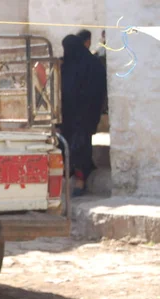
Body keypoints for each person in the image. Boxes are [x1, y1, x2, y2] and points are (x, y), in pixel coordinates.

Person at [60, 35, 107, 196]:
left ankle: (80, 182)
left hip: (83, 113)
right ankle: (77, 175)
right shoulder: (72, 64)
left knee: (80, 145)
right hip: (71, 114)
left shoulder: (90, 65)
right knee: (69, 144)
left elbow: (96, 90)